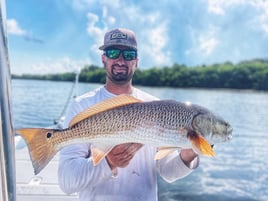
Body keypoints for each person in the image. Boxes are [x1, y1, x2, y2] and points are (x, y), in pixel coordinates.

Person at [58, 28, 199, 201]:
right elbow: (67, 181)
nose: (120, 60)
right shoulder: (82, 105)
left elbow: (168, 172)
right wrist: (107, 162)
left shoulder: (156, 106)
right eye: (113, 52)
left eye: (129, 54)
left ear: (136, 62)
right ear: (104, 59)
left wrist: (188, 154)